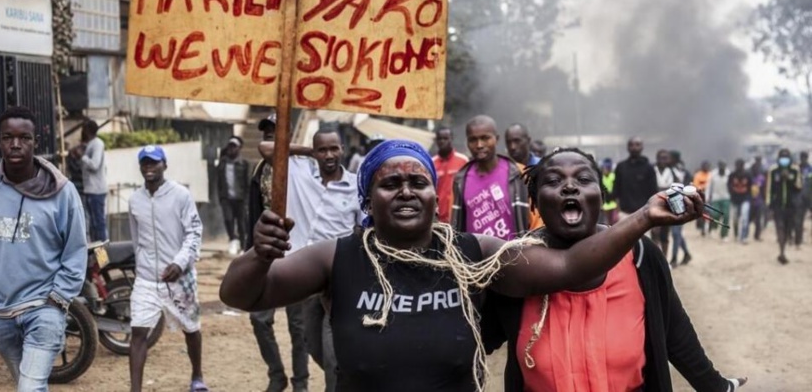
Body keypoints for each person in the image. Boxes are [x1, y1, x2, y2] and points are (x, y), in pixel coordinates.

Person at [219, 139, 709, 392]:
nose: (407, 191)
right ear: (368, 197)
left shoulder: (473, 253)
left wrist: (643, 218)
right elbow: (242, 296)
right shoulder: (338, 255)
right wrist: (258, 255)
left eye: (419, 181)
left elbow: (567, 270)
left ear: (438, 193)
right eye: (391, 184)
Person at [481, 148, 746, 392]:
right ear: (535, 202)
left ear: (601, 196)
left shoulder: (641, 255)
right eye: (553, 181)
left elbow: (675, 332)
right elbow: (469, 342)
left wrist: (716, 386)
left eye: (584, 179)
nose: (570, 186)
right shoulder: (517, 265)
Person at [259, 128, 363, 392]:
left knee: (331, 356)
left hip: (337, 280)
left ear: (343, 149)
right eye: (322, 149)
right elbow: (266, 148)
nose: (329, 155)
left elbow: (363, 230)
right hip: (302, 277)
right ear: (314, 151)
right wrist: (308, 152)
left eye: (334, 148)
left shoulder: (355, 186)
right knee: (311, 344)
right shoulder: (298, 170)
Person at [0, 106, 88, 392]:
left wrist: (57, 300)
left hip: (43, 309)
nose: (16, 144)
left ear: (36, 142)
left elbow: (76, 250)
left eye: (24, 137)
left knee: (29, 389)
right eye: (8, 137)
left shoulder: (62, 191)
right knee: (29, 385)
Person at [128, 145, 207, 392]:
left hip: (179, 278)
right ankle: (135, 389)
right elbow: (135, 238)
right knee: (138, 332)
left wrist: (180, 263)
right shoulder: (134, 200)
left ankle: (197, 376)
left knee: (191, 328)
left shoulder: (180, 195)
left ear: (165, 165)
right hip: (146, 280)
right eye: (145, 163)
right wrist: (141, 266)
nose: (149, 167)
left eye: (155, 162)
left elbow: (194, 232)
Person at [247, 115, 310, 392]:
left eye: (276, 132)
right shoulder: (262, 167)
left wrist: (308, 151)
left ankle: (301, 382)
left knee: (299, 325)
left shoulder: (304, 167)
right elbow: (252, 211)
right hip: (267, 254)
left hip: (297, 253)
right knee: (259, 318)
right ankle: (276, 375)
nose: (270, 136)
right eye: (268, 132)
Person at [451, 115, 541, 240]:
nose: (479, 145)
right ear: (467, 142)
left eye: (485, 138)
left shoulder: (518, 173)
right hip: (476, 258)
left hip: (514, 256)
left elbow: (536, 220)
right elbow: (456, 223)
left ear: (496, 139)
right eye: (473, 140)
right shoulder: (461, 180)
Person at [70, 119, 108, 242]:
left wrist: (82, 157)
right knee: (93, 224)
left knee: (98, 223)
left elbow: (94, 165)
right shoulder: (91, 144)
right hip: (90, 189)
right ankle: (96, 254)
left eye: (83, 129)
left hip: (96, 190)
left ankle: (103, 255)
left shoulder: (97, 144)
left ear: (87, 130)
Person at [766, 148, 802, 264]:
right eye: (782, 158)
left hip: (791, 205)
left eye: (786, 158)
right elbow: (769, 189)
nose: (784, 160)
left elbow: (799, 187)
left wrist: (789, 178)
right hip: (778, 205)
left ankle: (784, 246)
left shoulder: (795, 170)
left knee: (787, 229)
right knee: (780, 227)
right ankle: (781, 253)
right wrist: (769, 206)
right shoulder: (773, 171)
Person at [217, 136, 249, 256]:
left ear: (239, 148)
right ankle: (232, 240)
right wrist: (221, 197)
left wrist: (246, 200)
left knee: (241, 223)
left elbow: (247, 183)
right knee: (228, 220)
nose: (232, 149)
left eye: (234, 147)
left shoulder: (244, 164)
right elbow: (219, 182)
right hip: (226, 198)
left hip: (240, 199)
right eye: (230, 146)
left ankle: (243, 246)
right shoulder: (223, 163)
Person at [613, 137, 658, 220]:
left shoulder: (649, 168)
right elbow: (616, 190)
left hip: (644, 213)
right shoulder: (621, 167)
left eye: (637, 145)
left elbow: (653, 192)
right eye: (631, 145)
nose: (634, 147)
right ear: (628, 147)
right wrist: (618, 211)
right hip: (624, 213)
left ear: (642, 147)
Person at [432, 127, 469, 223]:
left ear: (451, 139)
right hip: (438, 219)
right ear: (436, 141)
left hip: (459, 216)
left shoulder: (463, 160)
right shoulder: (431, 163)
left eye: (445, 138)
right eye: (440, 139)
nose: (442, 141)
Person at [652, 149, 676, 256]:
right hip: (654, 203)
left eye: (665, 158)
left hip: (668, 204)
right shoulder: (652, 169)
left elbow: (676, 187)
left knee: (665, 234)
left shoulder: (672, 171)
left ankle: (664, 259)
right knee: (654, 232)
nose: (663, 160)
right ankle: (656, 257)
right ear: (657, 159)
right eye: (660, 158)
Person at [728, 159, 752, 243]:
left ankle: (744, 236)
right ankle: (736, 234)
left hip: (745, 199)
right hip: (735, 199)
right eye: (737, 165)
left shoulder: (748, 175)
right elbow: (729, 186)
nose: (739, 167)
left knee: (745, 218)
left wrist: (749, 197)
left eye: (740, 165)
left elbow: (750, 186)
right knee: (735, 219)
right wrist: (732, 194)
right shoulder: (732, 175)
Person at [707, 160, 731, 240]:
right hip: (716, 197)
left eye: (723, 166)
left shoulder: (728, 174)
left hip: (726, 197)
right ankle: (714, 227)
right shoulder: (713, 174)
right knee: (715, 214)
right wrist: (707, 197)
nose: (722, 168)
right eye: (720, 166)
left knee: (726, 215)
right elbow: (709, 186)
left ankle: (724, 235)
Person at [795, 151, 811, 246]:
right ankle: (798, 239)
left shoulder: (810, 169)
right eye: (802, 157)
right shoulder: (796, 169)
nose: (803, 159)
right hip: (798, 198)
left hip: (808, 197)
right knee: (798, 220)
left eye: (805, 157)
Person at [693, 161, 712, 236]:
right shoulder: (698, 175)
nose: (706, 168)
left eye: (707, 166)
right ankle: (702, 228)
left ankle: (709, 228)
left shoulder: (711, 175)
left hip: (710, 197)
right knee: (701, 213)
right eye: (705, 166)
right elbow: (696, 186)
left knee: (710, 213)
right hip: (700, 196)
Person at [749, 160, 767, 241]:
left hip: (759, 202)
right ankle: (744, 234)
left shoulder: (762, 178)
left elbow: (764, 190)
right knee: (747, 219)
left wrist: (765, 200)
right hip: (750, 202)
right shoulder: (749, 178)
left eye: (757, 168)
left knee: (758, 220)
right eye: (754, 168)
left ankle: (757, 235)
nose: (756, 170)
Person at [600, 158, 619, 225]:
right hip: (605, 204)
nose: (605, 170)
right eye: (604, 168)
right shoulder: (601, 178)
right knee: (606, 222)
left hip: (613, 203)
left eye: (607, 168)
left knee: (614, 221)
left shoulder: (613, 176)